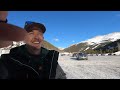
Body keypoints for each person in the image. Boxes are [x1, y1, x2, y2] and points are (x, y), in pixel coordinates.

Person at [0, 11, 66, 79]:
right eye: (31, 33)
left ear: (43, 38)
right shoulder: (10, 60)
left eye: (40, 33)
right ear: (24, 38)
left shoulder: (51, 60)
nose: (36, 37)